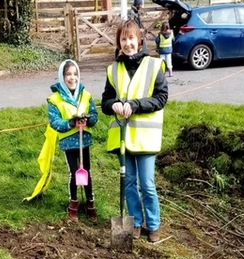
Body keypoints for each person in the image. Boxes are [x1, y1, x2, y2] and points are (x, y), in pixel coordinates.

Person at [101, 20, 169, 242]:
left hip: (146, 138)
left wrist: (135, 105)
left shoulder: (154, 65)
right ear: (119, 43)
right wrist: (114, 105)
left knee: (147, 183)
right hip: (124, 139)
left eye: (131, 38)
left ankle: (154, 225)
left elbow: (161, 98)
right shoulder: (113, 70)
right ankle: (136, 223)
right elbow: (105, 101)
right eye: (123, 39)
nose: (127, 43)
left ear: (139, 41)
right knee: (128, 182)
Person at [47, 59, 99, 223]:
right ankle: (73, 204)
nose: (72, 78)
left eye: (75, 74)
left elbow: (94, 115)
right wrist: (70, 122)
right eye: (68, 74)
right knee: (75, 172)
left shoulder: (86, 95)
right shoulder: (55, 99)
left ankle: (90, 203)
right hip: (69, 141)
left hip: (84, 140)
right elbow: (54, 122)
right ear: (62, 77)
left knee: (87, 172)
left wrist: (88, 119)